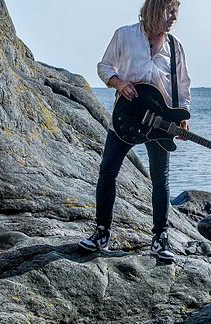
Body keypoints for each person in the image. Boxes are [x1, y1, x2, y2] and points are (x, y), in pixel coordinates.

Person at [78, 0, 191, 262]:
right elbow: (104, 66)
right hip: (126, 118)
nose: (174, 17)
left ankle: (160, 238)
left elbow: (183, 85)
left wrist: (183, 116)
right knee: (107, 170)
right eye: (169, 10)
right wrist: (118, 83)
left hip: (159, 122)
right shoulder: (125, 35)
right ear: (154, 9)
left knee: (160, 179)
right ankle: (101, 232)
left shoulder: (175, 48)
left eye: (177, 12)